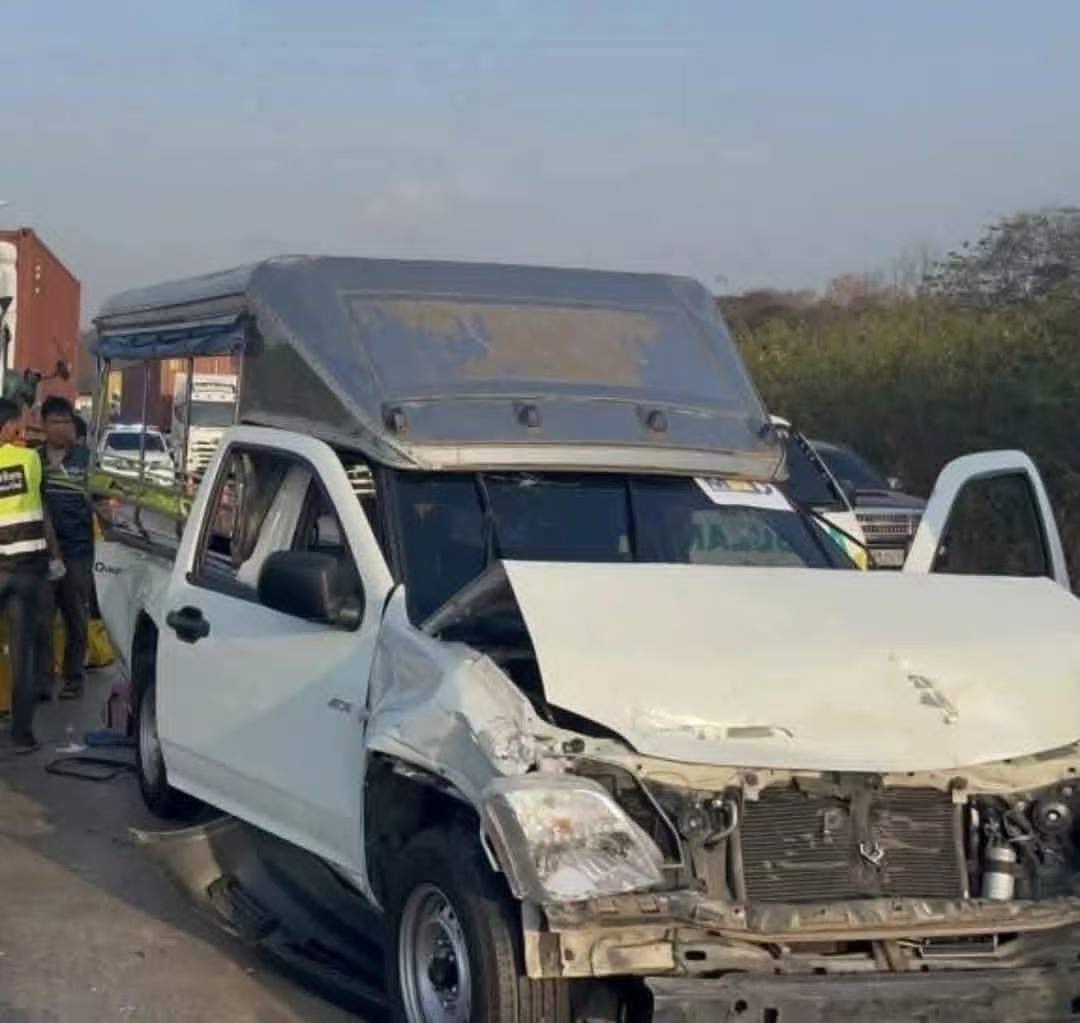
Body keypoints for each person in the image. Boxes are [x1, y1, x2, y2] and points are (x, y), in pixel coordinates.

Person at [0, 397, 62, 752]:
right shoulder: (29, 460)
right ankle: (21, 735)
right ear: (9, 426)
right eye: (18, 424)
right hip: (26, 572)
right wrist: (56, 557)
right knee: (22, 653)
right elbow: (42, 510)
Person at [35, 396, 91, 701]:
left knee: (76, 618)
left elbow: (102, 498)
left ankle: (73, 678)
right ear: (43, 425)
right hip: (41, 553)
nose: (62, 428)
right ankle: (43, 682)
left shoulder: (85, 458)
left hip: (78, 551)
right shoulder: (33, 460)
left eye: (67, 421)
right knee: (42, 621)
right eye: (56, 422)